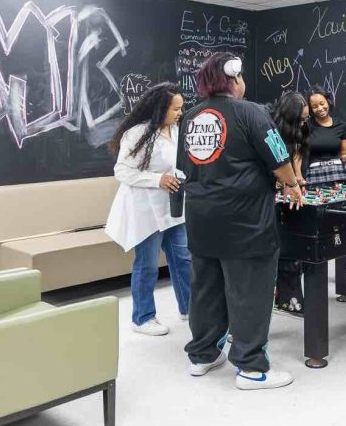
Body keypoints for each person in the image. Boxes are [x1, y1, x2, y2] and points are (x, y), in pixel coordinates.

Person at [178, 52, 303, 390]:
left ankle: (202, 354)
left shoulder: (190, 117)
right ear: (233, 79)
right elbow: (279, 157)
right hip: (245, 222)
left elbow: (185, 168)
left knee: (205, 289)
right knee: (250, 290)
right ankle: (251, 367)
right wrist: (291, 184)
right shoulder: (253, 112)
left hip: (201, 220)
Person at [106, 82, 191, 336]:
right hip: (145, 210)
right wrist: (158, 180)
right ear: (159, 108)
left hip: (173, 207)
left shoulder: (177, 131)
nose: (179, 113)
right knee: (148, 264)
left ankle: (189, 308)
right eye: (175, 109)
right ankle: (142, 317)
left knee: (184, 259)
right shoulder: (137, 134)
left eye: (181, 109)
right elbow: (121, 171)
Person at [269, 91, 310, 315]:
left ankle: (288, 297)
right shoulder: (269, 129)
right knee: (277, 248)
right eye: (301, 119)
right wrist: (289, 182)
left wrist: (296, 180)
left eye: (306, 119)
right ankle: (279, 296)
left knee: (291, 248)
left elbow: (293, 154)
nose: (304, 124)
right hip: (266, 198)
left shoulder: (293, 131)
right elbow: (274, 163)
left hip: (284, 194)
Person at [306, 86, 346, 184]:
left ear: (328, 101)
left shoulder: (342, 126)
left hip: (337, 172)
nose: (320, 109)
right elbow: (299, 154)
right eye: (315, 107)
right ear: (310, 109)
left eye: (322, 104)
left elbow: (343, 154)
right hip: (314, 174)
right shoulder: (307, 126)